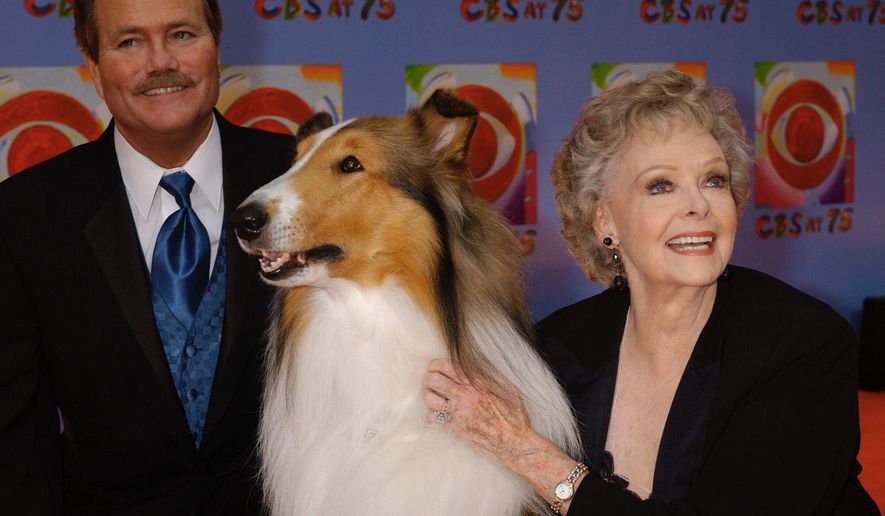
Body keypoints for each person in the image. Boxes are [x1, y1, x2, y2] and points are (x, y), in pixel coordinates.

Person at [423, 70, 879, 515]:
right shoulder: (557, 347)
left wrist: (529, 455)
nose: (698, 204)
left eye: (714, 180)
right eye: (661, 186)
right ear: (605, 222)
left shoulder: (802, 345)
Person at [0, 1, 296, 514]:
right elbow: (17, 440)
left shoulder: (302, 179)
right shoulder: (25, 216)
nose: (161, 62)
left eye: (182, 34)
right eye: (129, 42)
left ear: (217, 46)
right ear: (92, 65)